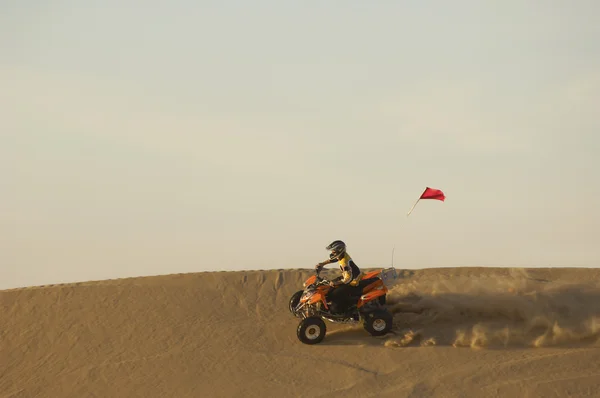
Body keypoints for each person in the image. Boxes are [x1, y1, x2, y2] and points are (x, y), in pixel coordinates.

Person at [315, 240, 363, 314]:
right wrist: (322, 264)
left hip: (353, 282)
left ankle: (340, 312)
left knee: (335, 294)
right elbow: (334, 259)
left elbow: (348, 279)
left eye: (333, 251)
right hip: (348, 277)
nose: (332, 253)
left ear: (339, 250)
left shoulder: (344, 263)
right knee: (329, 286)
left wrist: (336, 283)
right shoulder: (342, 255)